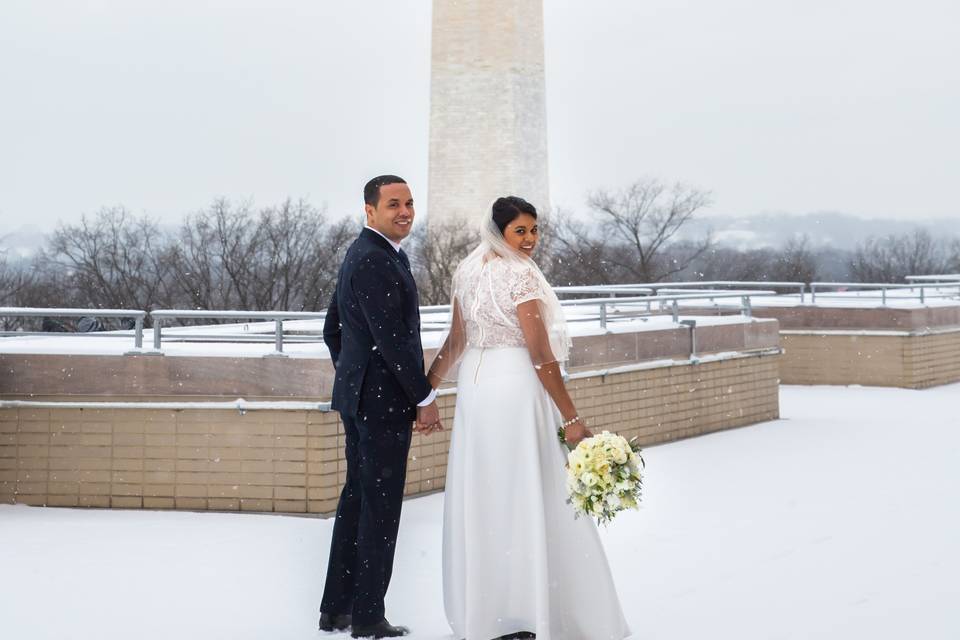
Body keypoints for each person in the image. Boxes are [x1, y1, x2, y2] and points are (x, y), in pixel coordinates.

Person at [428, 197, 631, 640]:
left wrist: (428, 390)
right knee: (530, 490)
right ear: (499, 230)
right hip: (515, 387)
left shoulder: (466, 269)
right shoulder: (520, 275)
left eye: (534, 230)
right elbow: (541, 355)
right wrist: (572, 417)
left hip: (477, 391)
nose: (531, 240)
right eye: (521, 231)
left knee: (488, 493)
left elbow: (457, 340)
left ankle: (494, 609)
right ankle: (531, 607)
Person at [319, 175, 443, 639]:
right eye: (393, 204)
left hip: (362, 400)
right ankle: (369, 616)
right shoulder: (373, 259)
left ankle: (337, 608)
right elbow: (393, 342)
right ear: (369, 210)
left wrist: (354, 376)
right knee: (379, 508)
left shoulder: (370, 253)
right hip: (381, 406)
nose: (405, 211)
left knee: (358, 500)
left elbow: (334, 330)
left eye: (409, 203)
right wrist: (423, 398)